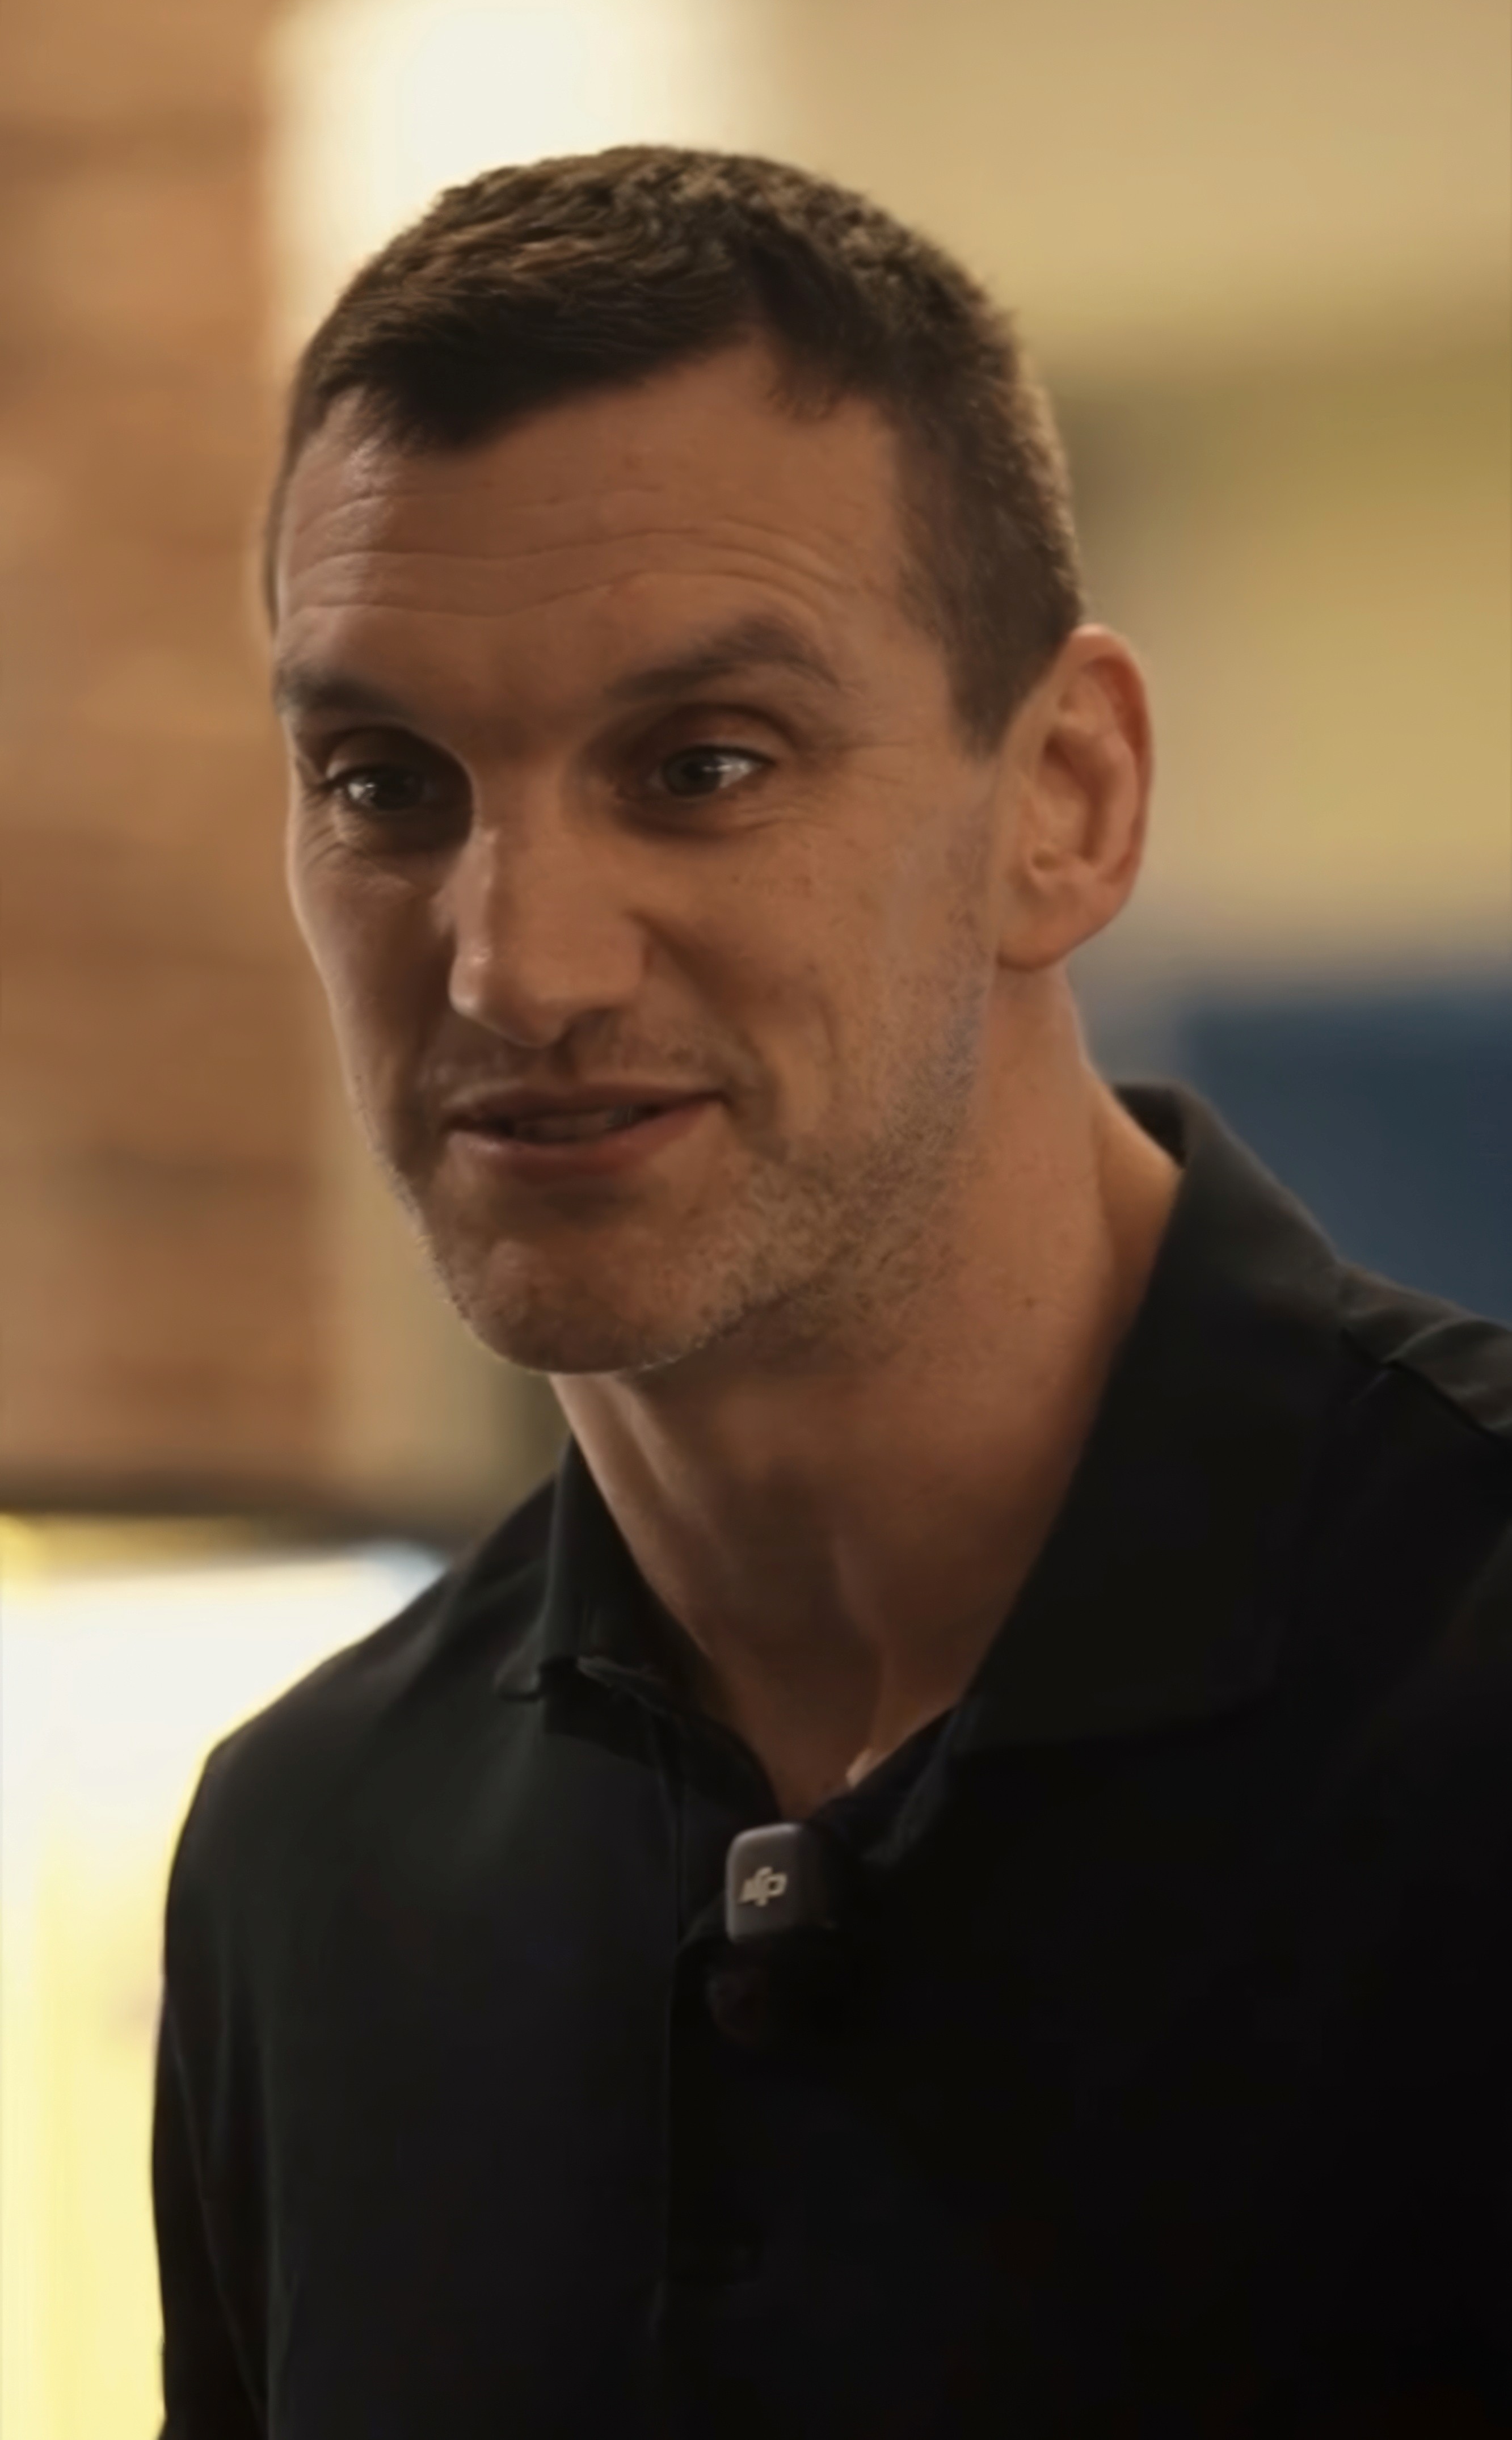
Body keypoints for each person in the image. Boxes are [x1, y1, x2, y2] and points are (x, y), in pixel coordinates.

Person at [153, 148, 1511, 2439]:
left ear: (1061, 797)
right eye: (384, 783)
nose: (513, 961)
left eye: (700, 767)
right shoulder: (313, 1853)